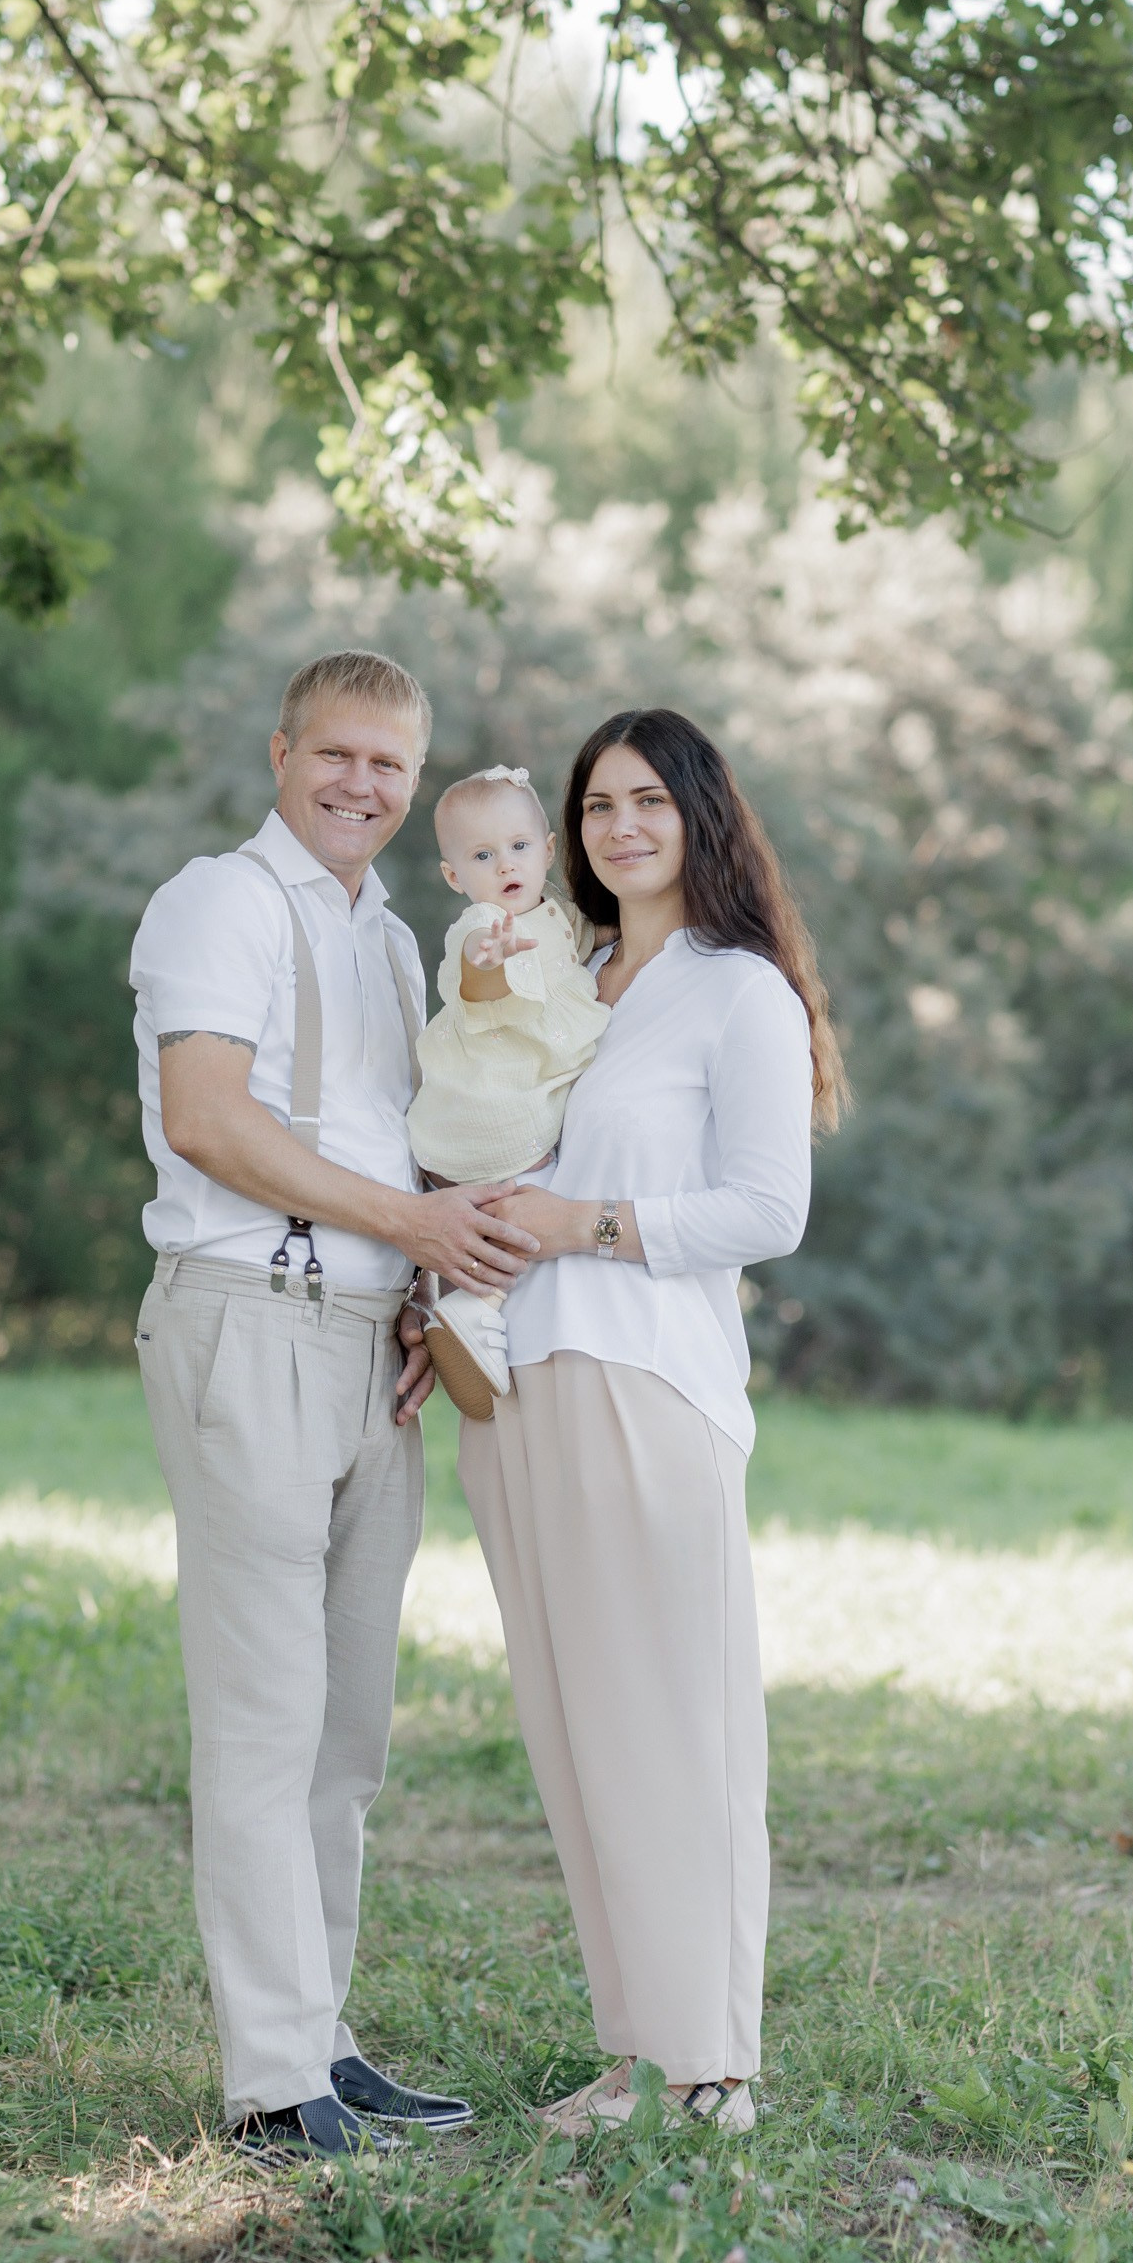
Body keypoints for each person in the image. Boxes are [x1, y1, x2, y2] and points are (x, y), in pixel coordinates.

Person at [128, 649, 540, 2158]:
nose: (361, 784)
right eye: (338, 755)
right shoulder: (217, 904)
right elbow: (208, 1118)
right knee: (263, 1716)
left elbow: (398, 1134)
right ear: (284, 751)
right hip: (249, 1323)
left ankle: (323, 2035)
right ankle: (267, 2088)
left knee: (345, 1734)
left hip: (371, 1347)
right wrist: (412, 1226)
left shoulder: (384, 938)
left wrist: (427, 1286)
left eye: (390, 766)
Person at [455, 706, 847, 2134]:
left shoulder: (734, 991)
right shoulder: (569, 979)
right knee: (575, 1732)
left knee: (673, 1727)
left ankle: (715, 2068)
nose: (619, 827)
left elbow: (766, 1210)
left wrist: (583, 1221)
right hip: (514, 1385)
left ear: (700, 818)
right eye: (597, 805)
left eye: (648, 802)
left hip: (646, 1387)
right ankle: (638, 2055)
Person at [405, 764, 610, 1416]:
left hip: (454, 1136)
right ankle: (476, 1307)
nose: (505, 866)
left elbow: (597, 936)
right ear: (455, 877)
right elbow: (475, 985)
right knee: (540, 1205)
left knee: (506, 1213)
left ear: (548, 849)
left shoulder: (559, 919)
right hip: (491, 1124)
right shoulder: (479, 929)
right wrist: (485, 966)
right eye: (482, 856)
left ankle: (443, 1294)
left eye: (519, 847)